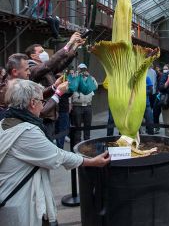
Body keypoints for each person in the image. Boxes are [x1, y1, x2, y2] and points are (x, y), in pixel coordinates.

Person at [0, 79, 110, 226]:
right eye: (41, 100)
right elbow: (57, 156)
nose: (43, 104)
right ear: (32, 103)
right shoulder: (27, 132)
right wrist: (91, 161)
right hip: (21, 205)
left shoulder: (6, 121)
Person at [25, 32, 85, 139]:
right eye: (41, 51)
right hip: (42, 114)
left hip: (49, 112)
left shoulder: (44, 69)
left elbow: (62, 63)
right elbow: (50, 63)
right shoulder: (32, 69)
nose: (44, 53)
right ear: (33, 56)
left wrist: (75, 46)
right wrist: (69, 44)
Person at [71, 63, 98, 145]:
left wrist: (89, 77)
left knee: (87, 126)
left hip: (88, 105)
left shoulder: (91, 78)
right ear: (78, 69)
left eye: (84, 69)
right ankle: (77, 144)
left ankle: (87, 144)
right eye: (81, 69)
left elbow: (96, 86)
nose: (82, 71)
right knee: (77, 127)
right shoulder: (74, 78)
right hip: (77, 106)